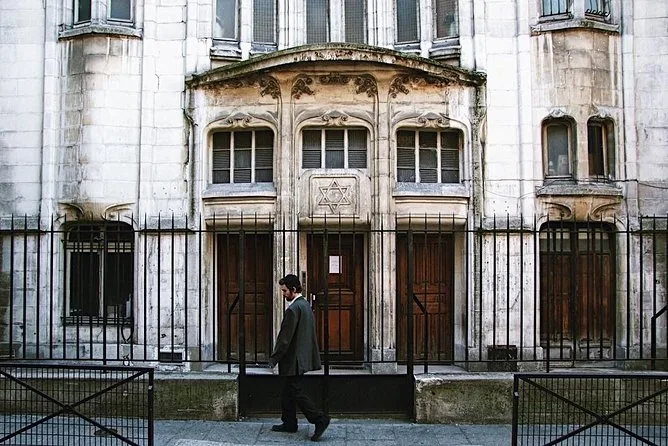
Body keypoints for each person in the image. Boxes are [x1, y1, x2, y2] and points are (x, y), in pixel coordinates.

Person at [267, 274, 331, 442]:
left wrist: (274, 359)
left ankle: (319, 419)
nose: (283, 294)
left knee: (295, 390)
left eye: (284, 291)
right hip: (301, 356)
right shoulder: (305, 305)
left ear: (293, 289)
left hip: (293, 359)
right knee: (287, 391)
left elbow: (284, 339)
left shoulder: (293, 309)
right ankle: (289, 422)